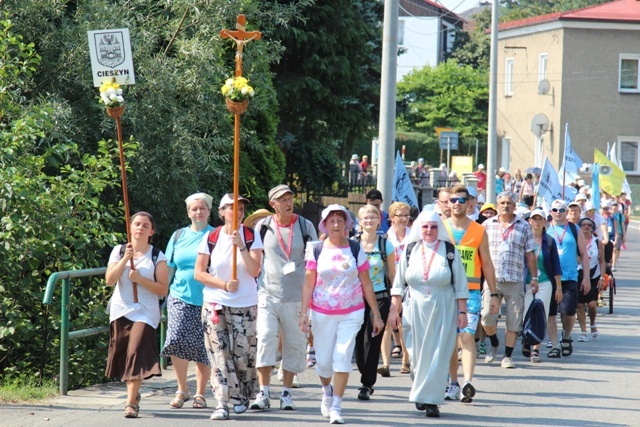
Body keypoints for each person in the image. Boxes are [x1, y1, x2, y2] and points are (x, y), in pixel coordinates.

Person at [299, 204, 384, 425]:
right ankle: (326, 391)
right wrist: (303, 313)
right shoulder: (316, 249)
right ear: (325, 224)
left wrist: (375, 314)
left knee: (343, 356)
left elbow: (366, 284)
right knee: (325, 362)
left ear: (346, 223)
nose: (336, 225)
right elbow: (308, 283)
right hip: (322, 312)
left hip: (352, 311)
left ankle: (337, 405)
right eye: (331, 221)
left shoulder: (355, 249)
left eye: (340, 220)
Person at [387, 209, 469, 418]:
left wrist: (462, 311)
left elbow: (460, 283)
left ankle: (432, 401)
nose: (429, 230)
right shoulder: (410, 249)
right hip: (414, 305)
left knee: (438, 353)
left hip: (443, 305)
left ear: (439, 228)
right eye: (425, 226)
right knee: (415, 355)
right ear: (418, 228)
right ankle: (421, 390)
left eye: (433, 226)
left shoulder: (449, 251)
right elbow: (398, 284)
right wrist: (394, 310)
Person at [194, 193, 264, 421]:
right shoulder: (212, 237)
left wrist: (241, 246)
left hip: (245, 304)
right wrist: (223, 284)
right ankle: (222, 401)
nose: (239, 212)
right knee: (219, 354)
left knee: (242, 355)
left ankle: (242, 396)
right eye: (233, 208)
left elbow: (254, 271)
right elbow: (199, 273)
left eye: (242, 209)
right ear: (222, 211)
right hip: (215, 302)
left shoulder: (252, 236)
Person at [250, 185, 318, 412]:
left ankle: (287, 394)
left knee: (294, 345)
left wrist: (311, 300)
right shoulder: (263, 226)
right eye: (282, 199)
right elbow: (254, 259)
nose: (288, 202)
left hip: (298, 297)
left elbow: (314, 263)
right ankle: (264, 392)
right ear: (273, 204)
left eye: (290, 198)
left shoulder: (305, 226)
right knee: (266, 338)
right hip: (267, 293)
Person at [105, 211, 169, 419]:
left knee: (136, 350)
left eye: (145, 226)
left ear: (152, 231)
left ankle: (130, 403)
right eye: (137, 224)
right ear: (130, 228)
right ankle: (135, 393)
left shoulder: (157, 256)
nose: (140, 228)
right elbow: (110, 279)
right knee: (124, 355)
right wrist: (126, 259)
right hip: (122, 310)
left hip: (145, 313)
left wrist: (140, 279)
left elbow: (162, 289)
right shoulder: (119, 250)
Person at [442, 185, 498, 403]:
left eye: (462, 200)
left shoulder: (478, 230)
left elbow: (487, 265)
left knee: (466, 336)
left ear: (469, 203)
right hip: (444, 292)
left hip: (471, 293)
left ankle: (467, 381)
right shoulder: (441, 228)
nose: (457, 203)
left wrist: (493, 294)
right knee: (449, 341)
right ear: (448, 203)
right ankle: (452, 383)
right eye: (453, 200)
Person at [161, 193, 214, 410]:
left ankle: (201, 393)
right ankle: (182, 389)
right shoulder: (178, 236)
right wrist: (161, 294)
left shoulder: (215, 236)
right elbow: (169, 267)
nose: (198, 212)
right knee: (175, 340)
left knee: (204, 346)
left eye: (202, 208)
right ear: (188, 212)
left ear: (209, 211)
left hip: (209, 298)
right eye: (194, 209)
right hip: (179, 295)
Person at [482, 191, 538, 369]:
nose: (505, 206)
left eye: (509, 203)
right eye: (502, 203)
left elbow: (530, 254)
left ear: (515, 206)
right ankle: (494, 341)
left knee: (514, 320)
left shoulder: (523, 226)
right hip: (492, 280)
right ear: (497, 206)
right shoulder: (487, 225)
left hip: (514, 280)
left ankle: (507, 356)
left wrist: (534, 277)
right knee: (486, 318)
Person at [353, 205, 395, 400]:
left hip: (379, 297)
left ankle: (367, 383)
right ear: (359, 222)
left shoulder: (385, 244)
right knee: (359, 339)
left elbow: (393, 275)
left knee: (373, 337)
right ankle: (364, 371)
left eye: (373, 217)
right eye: (365, 218)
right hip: (355, 297)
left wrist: (396, 302)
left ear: (379, 221)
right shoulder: (353, 243)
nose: (369, 220)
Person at [546, 199, 589, 358]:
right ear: (551, 212)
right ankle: (555, 344)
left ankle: (566, 337)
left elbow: (584, 254)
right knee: (550, 313)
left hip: (570, 276)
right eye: (555, 209)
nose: (558, 212)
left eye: (562, 210)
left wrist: (586, 278)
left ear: (566, 212)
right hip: (548, 278)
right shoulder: (545, 228)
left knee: (568, 311)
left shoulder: (573, 228)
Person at [378, 202, 411, 377]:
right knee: (387, 324)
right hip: (389, 284)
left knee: (404, 324)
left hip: (409, 285)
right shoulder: (384, 239)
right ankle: (385, 364)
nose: (404, 218)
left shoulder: (414, 238)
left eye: (407, 215)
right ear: (391, 218)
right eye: (400, 215)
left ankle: (406, 359)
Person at [525, 209, 562, 362]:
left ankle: (536, 350)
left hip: (545, 282)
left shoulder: (550, 241)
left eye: (540, 219)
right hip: (526, 282)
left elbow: (556, 266)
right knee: (525, 314)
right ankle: (527, 340)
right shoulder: (524, 239)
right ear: (530, 221)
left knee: (540, 314)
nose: (537, 222)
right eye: (534, 219)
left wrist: (558, 287)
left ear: (545, 222)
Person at [576, 217, 605, 342]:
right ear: (580, 227)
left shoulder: (596, 242)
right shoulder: (576, 241)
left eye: (589, 225)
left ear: (592, 228)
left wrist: (602, 277)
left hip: (594, 275)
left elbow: (602, 261)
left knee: (592, 305)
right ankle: (583, 331)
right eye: (584, 225)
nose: (586, 227)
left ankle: (592, 323)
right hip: (578, 274)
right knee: (579, 304)